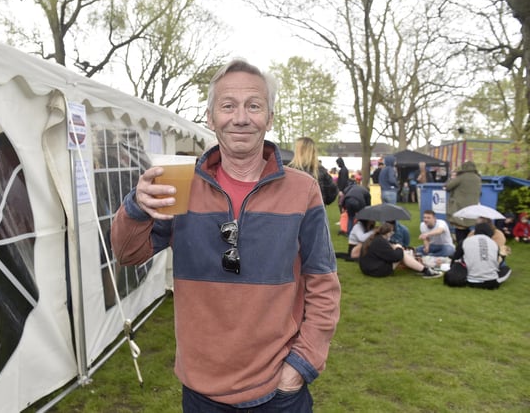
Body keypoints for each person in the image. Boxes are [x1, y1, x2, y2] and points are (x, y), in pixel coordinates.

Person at [110, 59, 341, 412]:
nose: (241, 118)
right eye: (228, 105)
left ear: (270, 117)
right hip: (202, 392)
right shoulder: (179, 183)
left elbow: (323, 284)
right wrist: (137, 206)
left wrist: (302, 364)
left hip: (279, 391)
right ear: (210, 116)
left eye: (254, 105)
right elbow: (127, 253)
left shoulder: (302, 190)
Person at [358, 222, 441, 278]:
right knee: (403, 254)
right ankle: (425, 270)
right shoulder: (381, 242)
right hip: (376, 271)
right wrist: (398, 247)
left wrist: (394, 247)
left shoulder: (374, 239)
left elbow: (383, 253)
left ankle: (421, 268)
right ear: (388, 233)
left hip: (367, 269)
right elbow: (396, 257)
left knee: (401, 252)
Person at [287, 137, 338, 205]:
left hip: (294, 212)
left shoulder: (289, 171)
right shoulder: (321, 171)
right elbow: (332, 193)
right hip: (317, 212)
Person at [459, 223, 511, 289]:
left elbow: (459, 258)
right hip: (489, 283)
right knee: (506, 269)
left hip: (469, 280)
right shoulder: (494, 244)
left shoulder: (467, 240)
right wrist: (503, 256)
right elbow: (497, 263)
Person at [445, 161, 481, 248]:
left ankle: (460, 248)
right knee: (468, 226)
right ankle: (468, 246)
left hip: (459, 206)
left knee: (460, 227)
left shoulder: (462, 177)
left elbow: (448, 186)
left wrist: (452, 178)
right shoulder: (477, 178)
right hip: (472, 207)